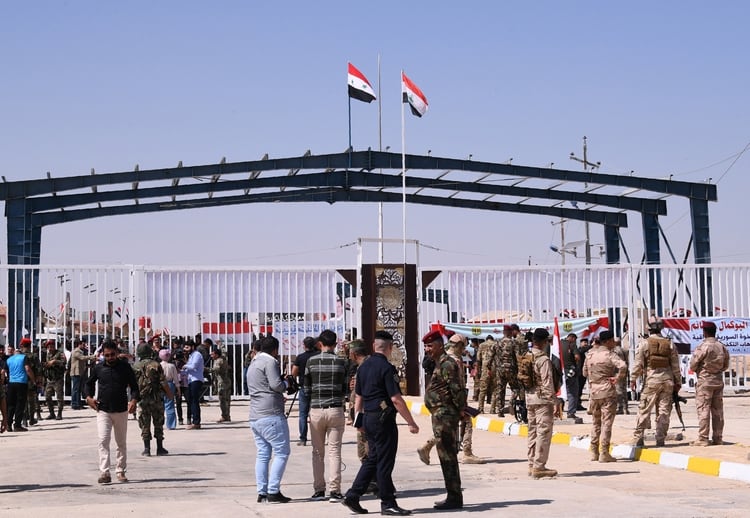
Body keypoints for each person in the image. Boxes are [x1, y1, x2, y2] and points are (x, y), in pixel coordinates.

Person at [342, 331, 419, 516]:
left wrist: (357, 419)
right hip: (383, 421)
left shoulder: (363, 367)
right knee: (384, 462)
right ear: (390, 347)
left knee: (373, 459)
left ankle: (353, 495)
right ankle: (388, 503)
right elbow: (396, 399)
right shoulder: (387, 368)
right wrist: (411, 422)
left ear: (374, 345)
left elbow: (358, 396)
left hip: (368, 418)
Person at [418, 333, 482, 466]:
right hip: (452, 400)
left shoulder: (444, 357)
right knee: (465, 423)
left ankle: (427, 447)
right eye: (462, 347)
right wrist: (462, 405)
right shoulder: (454, 361)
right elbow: (456, 384)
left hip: (441, 400)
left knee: (444, 428)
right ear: (458, 346)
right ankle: (467, 453)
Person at [85, 340, 140, 484]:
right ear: (103, 354)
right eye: (107, 355)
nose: (110, 358)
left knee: (121, 442)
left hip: (121, 410)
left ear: (117, 353)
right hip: (103, 410)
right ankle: (104, 472)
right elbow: (89, 383)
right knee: (103, 440)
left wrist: (133, 400)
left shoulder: (125, 367)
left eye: (112, 354)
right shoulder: (98, 368)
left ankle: (120, 471)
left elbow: (134, 387)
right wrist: (88, 398)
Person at [247, 335, 294, 504]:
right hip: (271, 413)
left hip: (255, 414)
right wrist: (287, 384)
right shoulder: (270, 362)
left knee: (263, 454)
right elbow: (276, 385)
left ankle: (262, 491)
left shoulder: (253, 362)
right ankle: (273, 490)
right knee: (282, 452)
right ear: (275, 349)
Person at [423, 331, 466, 510]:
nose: (427, 349)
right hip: (441, 414)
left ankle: (454, 497)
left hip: (446, 415)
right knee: (445, 455)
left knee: (448, 455)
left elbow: (457, 389)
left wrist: (461, 409)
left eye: (430, 346)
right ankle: (452, 495)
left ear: (440, 346)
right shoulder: (438, 363)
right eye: (425, 346)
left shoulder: (447, 364)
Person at [304, 330, 348, 502]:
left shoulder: (311, 361)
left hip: (316, 410)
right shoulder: (341, 362)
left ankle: (319, 490)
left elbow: (306, 389)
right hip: (336, 409)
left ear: (320, 344)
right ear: (335, 344)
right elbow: (345, 388)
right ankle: (335, 491)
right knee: (335, 451)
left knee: (317, 452)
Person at [630, 319, 682, 447]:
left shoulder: (644, 343)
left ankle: (638, 438)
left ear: (648, 329)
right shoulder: (670, 343)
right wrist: (678, 382)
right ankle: (660, 439)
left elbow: (638, 364)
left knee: (644, 409)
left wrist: (632, 379)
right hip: (667, 381)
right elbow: (675, 365)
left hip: (651, 382)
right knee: (664, 410)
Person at [582, 330, 627, 462]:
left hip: (594, 393)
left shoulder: (590, 354)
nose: (614, 342)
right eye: (612, 340)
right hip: (607, 391)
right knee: (606, 423)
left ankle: (594, 451)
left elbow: (584, 373)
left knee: (596, 422)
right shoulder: (609, 354)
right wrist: (617, 377)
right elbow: (623, 366)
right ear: (607, 341)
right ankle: (604, 452)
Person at [689, 321, 730, 446]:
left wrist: (702, 371)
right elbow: (725, 365)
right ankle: (718, 438)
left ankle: (703, 438)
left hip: (705, 382)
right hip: (717, 381)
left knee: (703, 409)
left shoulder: (703, 347)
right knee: (717, 411)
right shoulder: (721, 347)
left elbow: (693, 364)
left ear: (704, 332)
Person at [526, 328, 557, 479]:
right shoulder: (543, 359)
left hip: (529, 398)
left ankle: (531, 464)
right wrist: (554, 402)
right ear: (544, 342)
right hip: (542, 400)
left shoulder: (526, 356)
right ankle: (539, 466)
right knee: (543, 432)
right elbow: (547, 382)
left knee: (532, 431)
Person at [133, 343, 172, 456]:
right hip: (156, 398)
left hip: (142, 399)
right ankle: (160, 448)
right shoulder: (156, 365)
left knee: (144, 423)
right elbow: (163, 382)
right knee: (158, 422)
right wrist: (170, 394)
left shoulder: (136, 366)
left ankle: (146, 449)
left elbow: (132, 384)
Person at [291, 336, 319, 445]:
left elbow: (294, 372)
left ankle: (303, 438)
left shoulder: (300, 357)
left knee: (303, 414)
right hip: (316, 388)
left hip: (304, 387)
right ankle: (317, 438)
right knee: (316, 414)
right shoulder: (317, 356)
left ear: (304, 345)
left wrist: (297, 381)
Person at [7, 338, 35, 432]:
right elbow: (27, 369)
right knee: (20, 404)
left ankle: (8, 424)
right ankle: (17, 425)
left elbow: (3, 372)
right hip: (21, 383)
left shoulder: (9, 359)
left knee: (11, 404)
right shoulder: (23, 357)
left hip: (11, 383)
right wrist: (33, 380)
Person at [492, 325, 519, 418]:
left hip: (500, 370)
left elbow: (491, 355)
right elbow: (518, 356)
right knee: (516, 388)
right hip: (511, 369)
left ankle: (500, 411)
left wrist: (488, 367)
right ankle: (512, 401)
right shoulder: (514, 343)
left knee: (500, 390)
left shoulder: (497, 343)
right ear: (511, 332)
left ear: (503, 332)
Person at [182, 340, 204, 429]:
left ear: (193, 347)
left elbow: (193, 366)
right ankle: (194, 420)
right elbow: (188, 370)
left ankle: (196, 422)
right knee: (191, 401)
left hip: (196, 380)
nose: (185, 349)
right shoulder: (191, 356)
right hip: (191, 380)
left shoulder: (197, 355)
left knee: (195, 401)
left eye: (187, 347)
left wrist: (185, 366)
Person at [43, 340, 66, 420]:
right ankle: (51, 413)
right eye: (48, 347)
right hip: (50, 379)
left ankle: (59, 413)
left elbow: (63, 362)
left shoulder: (60, 353)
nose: (50, 348)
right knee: (47, 396)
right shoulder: (48, 354)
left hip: (58, 379)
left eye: (51, 346)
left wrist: (55, 361)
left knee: (59, 397)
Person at [70, 340, 96, 410]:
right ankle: (74, 404)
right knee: (76, 389)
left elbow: (82, 362)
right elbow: (82, 358)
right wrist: (93, 357)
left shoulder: (81, 351)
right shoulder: (76, 351)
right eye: (83, 344)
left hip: (80, 372)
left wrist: (88, 365)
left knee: (79, 389)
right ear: (79, 344)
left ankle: (78, 404)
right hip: (76, 372)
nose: (84, 346)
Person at [476, 334, 498, 414]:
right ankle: (493, 409)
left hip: (485, 369)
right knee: (494, 390)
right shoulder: (496, 344)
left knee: (483, 390)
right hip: (494, 369)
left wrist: (477, 371)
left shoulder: (482, 345)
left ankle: (481, 408)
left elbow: (478, 359)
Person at [210, 347, 232, 423]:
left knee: (222, 400)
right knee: (227, 400)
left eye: (213, 354)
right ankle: (227, 415)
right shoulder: (223, 358)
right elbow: (224, 352)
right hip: (227, 381)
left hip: (222, 383)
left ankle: (224, 416)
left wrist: (205, 369)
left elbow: (216, 369)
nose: (211, 356)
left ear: (216, 355)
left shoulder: (218, 361)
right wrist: (221, 345)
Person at [562, 333, 582, 418]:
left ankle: (558, 411)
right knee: (572, 393)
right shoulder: (572, 345)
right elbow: (577, 357)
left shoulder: (559, 343)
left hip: (560, 372)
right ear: (572, 338)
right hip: (570, 372)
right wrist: (576, 365)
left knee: (560, 393)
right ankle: (571, 412)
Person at [159, 349, 179, 430]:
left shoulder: (158, 365)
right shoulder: (172, 366)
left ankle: (159, 423)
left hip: (160, 385)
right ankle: (171, 425)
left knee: (160, 405)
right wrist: (178, 388)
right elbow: (176, 378)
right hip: (170, 384)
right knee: (170, 405)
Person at [612, 338, 630, 414]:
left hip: (617, 372)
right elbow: (627, 361)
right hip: (624, 371)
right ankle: (626, 408)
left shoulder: (614, 351)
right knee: (624, 390)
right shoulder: (624, 350)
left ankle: (620, 408)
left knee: (618, 390)